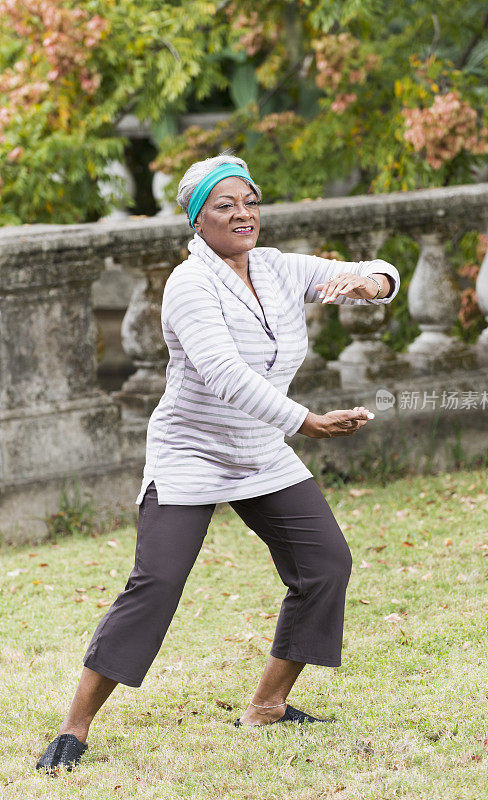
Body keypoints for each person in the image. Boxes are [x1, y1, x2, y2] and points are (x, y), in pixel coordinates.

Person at [36, 153, 400, 772]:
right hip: (192, 452)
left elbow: (381, 270)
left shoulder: (279, 268)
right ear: (198, 219)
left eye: (250, 202)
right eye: (224, 205)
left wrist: (372, 282)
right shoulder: (189, 285)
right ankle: (74, 727)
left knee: (325, 566)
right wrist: (303, 420)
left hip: (259, 450)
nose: (243, 214)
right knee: (157, 584)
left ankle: (268, 706)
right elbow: (224, 374)